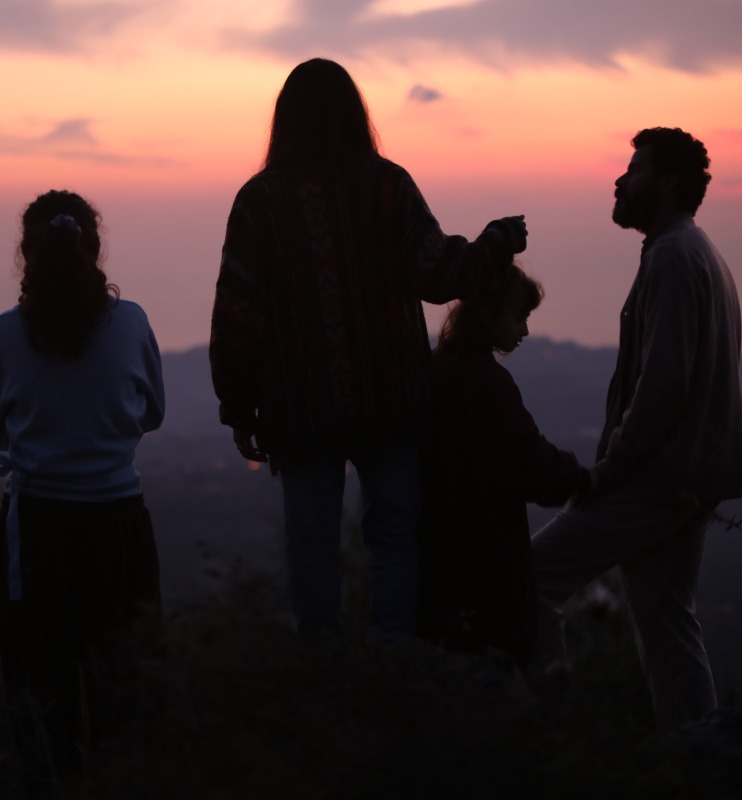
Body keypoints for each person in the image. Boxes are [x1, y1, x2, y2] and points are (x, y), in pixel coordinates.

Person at [209, 57, 528, 646]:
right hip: (391, 399)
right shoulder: (386, 186)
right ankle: (393, 666)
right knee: (394, 540)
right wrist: (497, 240)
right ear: (355, 114)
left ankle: (324, 674)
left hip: (301, 408)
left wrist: (239, 406)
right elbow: (438, 273)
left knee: (311, 544)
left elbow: (238, 312)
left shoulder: (259, 202)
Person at [530, 128, 742, 730]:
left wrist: (606, 471)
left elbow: (663, 388)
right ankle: (702, 757)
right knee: (669, 626)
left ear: (668, 181)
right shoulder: (694, 253)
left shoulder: (676, 257)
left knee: (530, 581)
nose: (620, 181)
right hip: (687, 483)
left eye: (634, 169)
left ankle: (548, 730)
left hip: (655, 482)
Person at [0, 189, 166, 780]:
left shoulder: (4, 334)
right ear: (94, 250)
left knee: (40, 695)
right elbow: (153, 412)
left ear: (25, 255)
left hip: (35, 533)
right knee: (125, 690)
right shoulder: (132, 322)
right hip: (118, 528)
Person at [419, 264, 589, 664]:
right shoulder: (487, 383)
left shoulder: (434, 368)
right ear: (486, 316)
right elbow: (527, 462)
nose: (524, 332)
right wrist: (581, 476)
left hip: (435, 557)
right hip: (485, 559)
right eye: (519, 318)